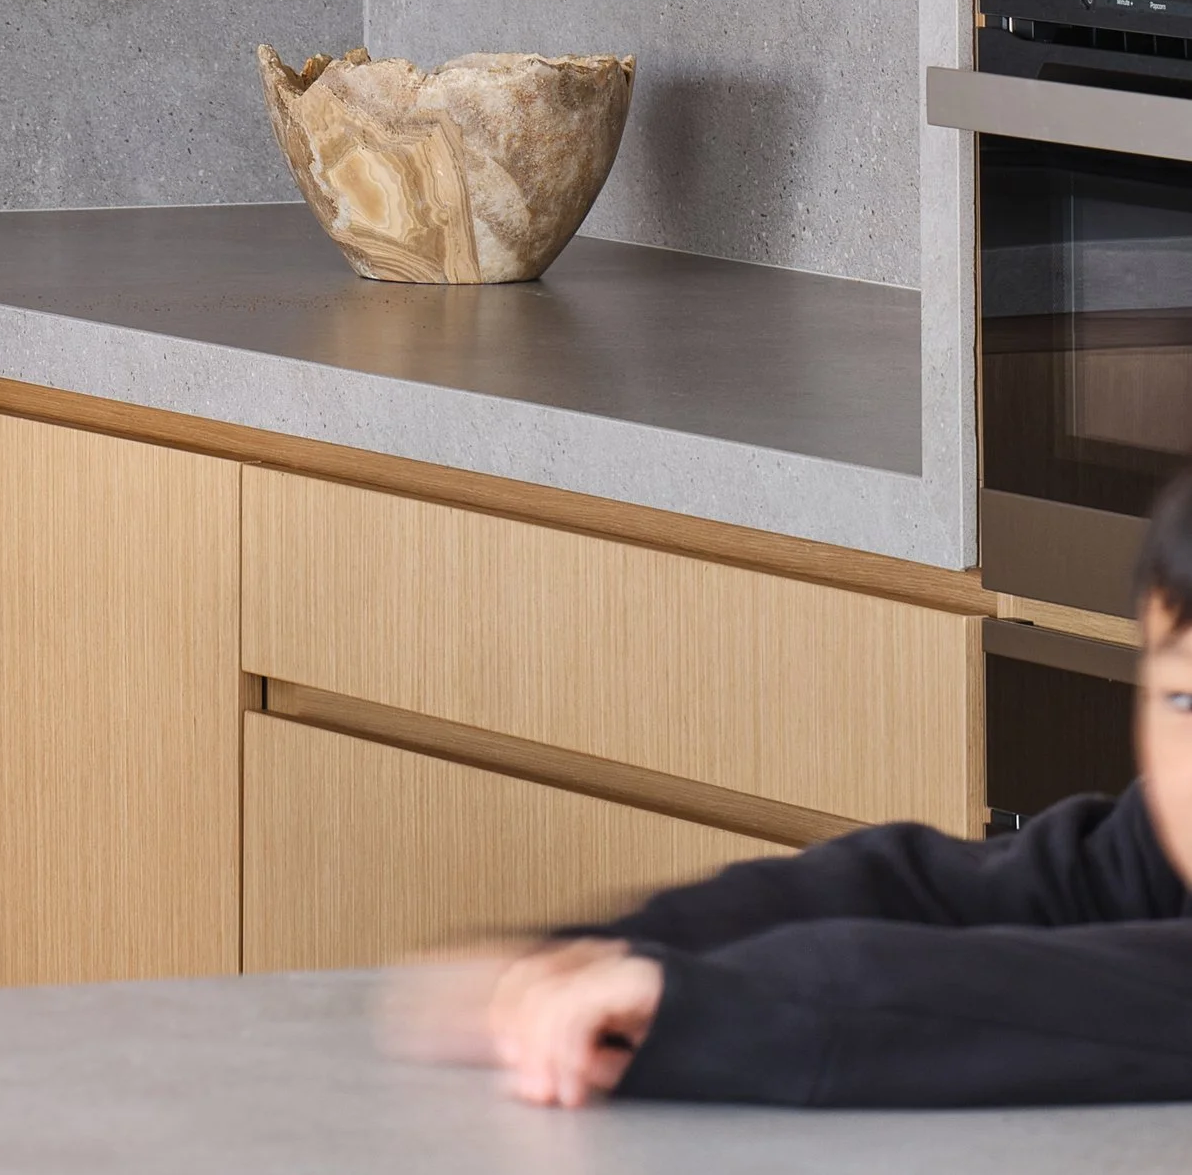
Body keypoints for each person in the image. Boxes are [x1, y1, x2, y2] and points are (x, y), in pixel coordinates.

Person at [407, 460, 1192, 1108]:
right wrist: (614, 952)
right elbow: (946, 889)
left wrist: (712, 1006)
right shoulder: (1160, 842)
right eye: (1182, 697)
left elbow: (1071, 998)